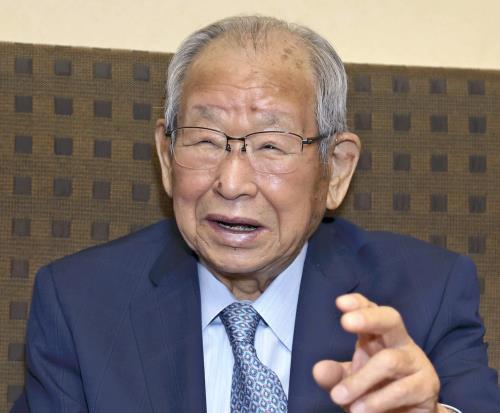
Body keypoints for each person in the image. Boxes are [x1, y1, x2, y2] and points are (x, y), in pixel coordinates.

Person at [12, 15, 499, 413]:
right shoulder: (80, 304)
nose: (232, 182)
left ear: (336, 169)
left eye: (271, 145)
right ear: (166, 156)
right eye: (205, 140)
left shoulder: (426, 294)